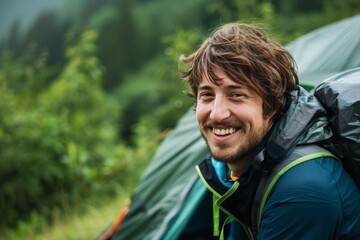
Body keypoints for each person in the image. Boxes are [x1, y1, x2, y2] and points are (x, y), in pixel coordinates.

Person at [179, 22, 360, 240]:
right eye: (207, 95)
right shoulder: (246, 171)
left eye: (236, 94)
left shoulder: (302, 192)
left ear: (272, 107)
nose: (217, 114)